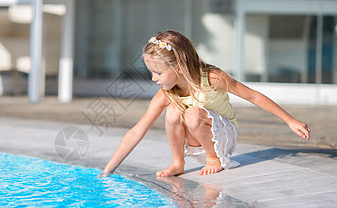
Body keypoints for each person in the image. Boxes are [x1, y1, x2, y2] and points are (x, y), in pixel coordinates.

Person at [101, 30, 311, 177]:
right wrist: (108, 170)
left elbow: (252, 96)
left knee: (192, 113)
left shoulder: (212, 78)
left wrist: (289, 120)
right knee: (173, 111)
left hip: (222, 136)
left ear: (179, 68)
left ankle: (214, 159)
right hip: (196, 141)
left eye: (158, 72)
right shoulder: (167, 93)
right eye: (151, 73)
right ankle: (178, 163)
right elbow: (137, 131)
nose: (154, 78)